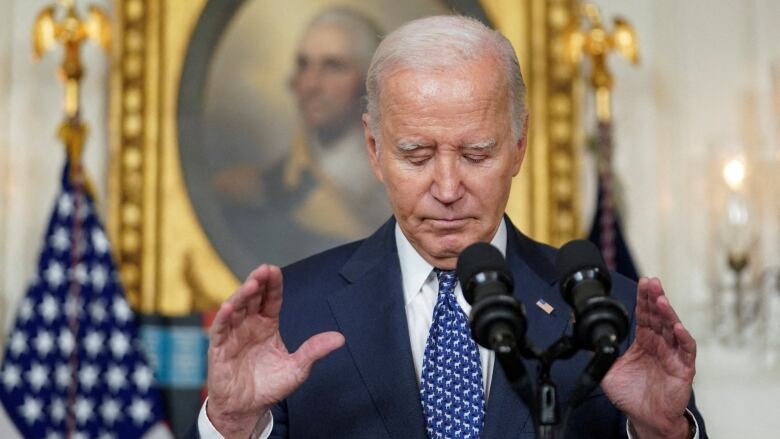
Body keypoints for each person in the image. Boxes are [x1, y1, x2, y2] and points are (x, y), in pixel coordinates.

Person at [195, 15, 706, 439]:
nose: (446, 187)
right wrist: (232, 424)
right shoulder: (294, 311)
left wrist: (663, 432)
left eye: (475, 154)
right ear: (374, 149)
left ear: (519, 145)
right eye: (416, 155)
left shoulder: (607, 311)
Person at [212, 8, 390, 271]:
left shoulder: (400, 181)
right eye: (303, 65)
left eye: (333, 66)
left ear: (370, 82)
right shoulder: (263, 188)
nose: (310, 84)